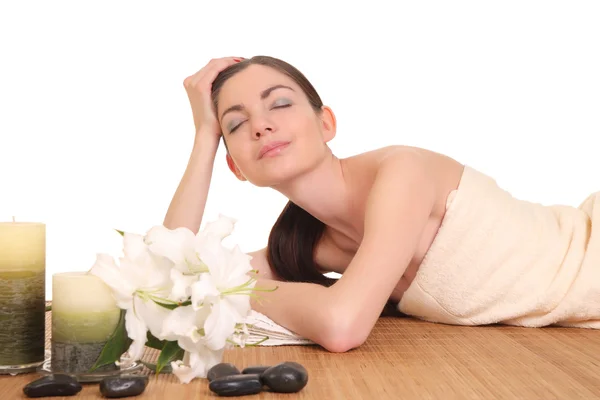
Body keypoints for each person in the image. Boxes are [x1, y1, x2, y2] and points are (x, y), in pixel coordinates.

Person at [163, 55, 600, 353]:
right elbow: (168, 274)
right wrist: (204, 135)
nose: (261, 125)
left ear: (326, 123)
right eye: (236, 124)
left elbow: (341, 324)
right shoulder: (306, 247)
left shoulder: (401, 173)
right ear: (235, 167)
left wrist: (227, 288)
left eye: (279, 103)